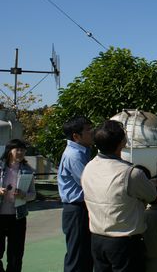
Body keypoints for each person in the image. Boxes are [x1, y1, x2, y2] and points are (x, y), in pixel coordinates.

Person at [81, 120, 157, 272]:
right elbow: (151, 195)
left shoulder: (88, 167)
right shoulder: (131, 173)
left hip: (97, 238)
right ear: (123, 142)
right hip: (124, 243)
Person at [57, 116, 94, 272]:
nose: (93, 132)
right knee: (77, 255)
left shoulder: (81, 152)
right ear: (76, 136)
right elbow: (88, 183)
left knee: (84, 254)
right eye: (88, 130)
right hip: (76, 209)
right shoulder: (75, 155)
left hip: (79, 208)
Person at [0, 139, 36, 272]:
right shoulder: (0, 167)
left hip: (18, 217)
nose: (20, 152)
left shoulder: (28, 170)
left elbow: (33, 194)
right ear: (10, 151)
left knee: (15, 255)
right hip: (0, 216)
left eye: (23, 150)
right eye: (17, 149)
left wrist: (23, 195)